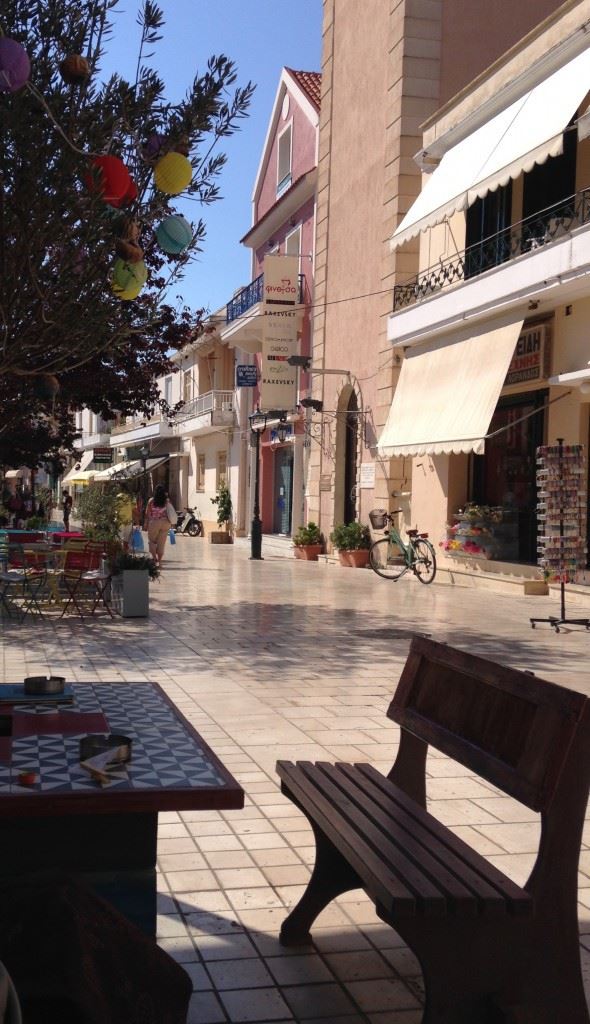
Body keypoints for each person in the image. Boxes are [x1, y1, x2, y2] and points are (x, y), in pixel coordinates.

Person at [143, 485, 176, 568]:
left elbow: (147, 513)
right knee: (162, 542)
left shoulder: (151, 501)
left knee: (152, 541)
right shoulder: (167, 501)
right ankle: (160, 561)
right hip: (165, 523)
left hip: (154, 522)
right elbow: (171, 512)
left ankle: (154, 559)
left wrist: (146, 524)